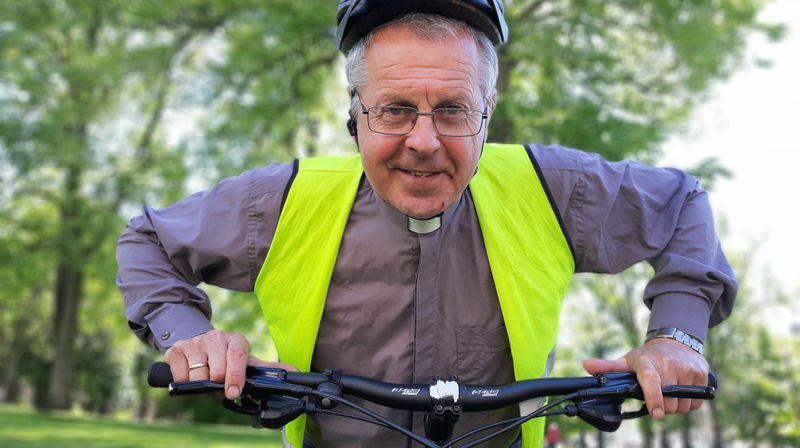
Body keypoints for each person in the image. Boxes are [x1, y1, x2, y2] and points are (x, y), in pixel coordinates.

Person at [116, 1, 736, 447]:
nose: (423, 141)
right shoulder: (282, 201)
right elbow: (148, 241)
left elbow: (680, 204)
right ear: (354, 112)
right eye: (394, 110)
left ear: (488, 112)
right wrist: (188, 337)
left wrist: (675, 337)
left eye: (453, 110)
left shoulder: (550, 187)